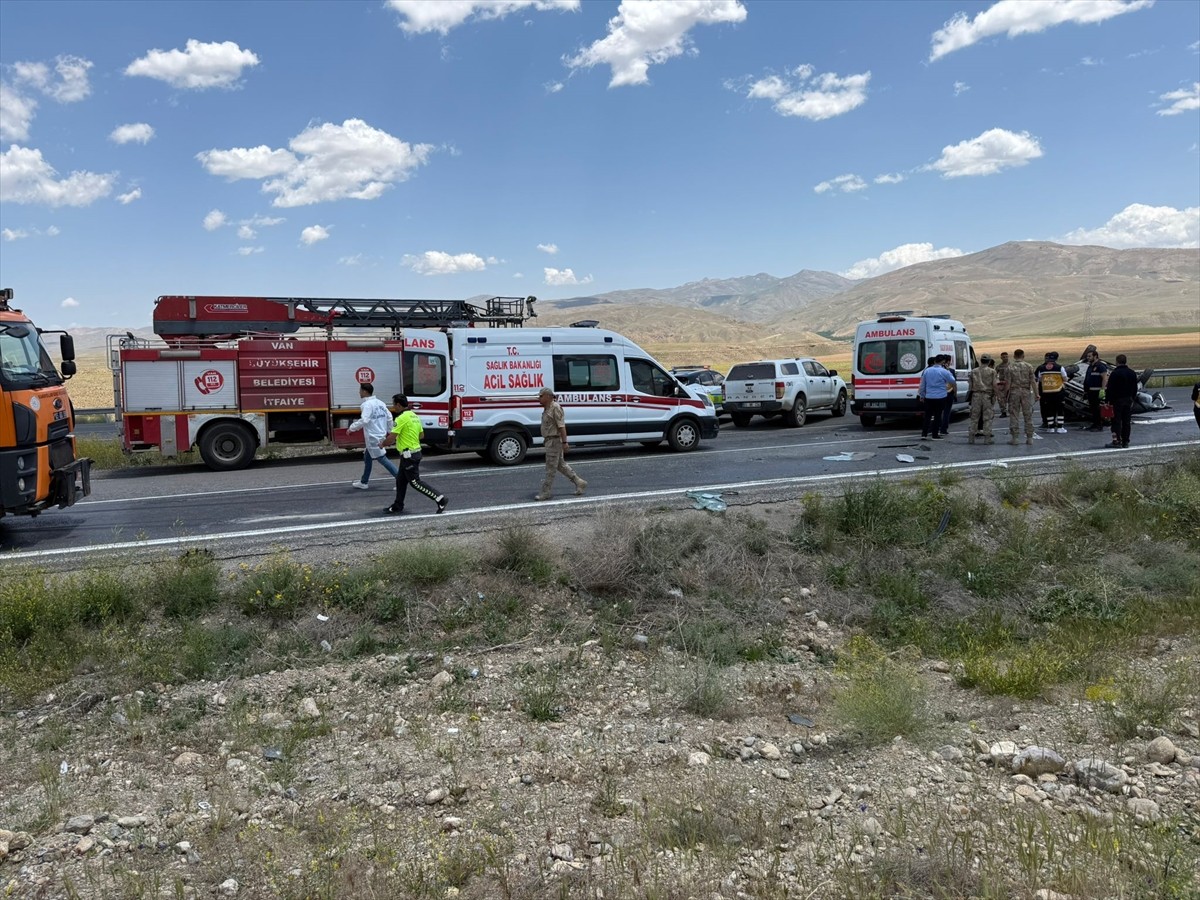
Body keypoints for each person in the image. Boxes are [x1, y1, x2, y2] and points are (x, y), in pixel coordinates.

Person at [386, 394, 448, 514]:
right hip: (412, 453)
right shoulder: (414, 416)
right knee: (400, 481)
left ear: (398, 405)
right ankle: (398, 505)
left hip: (409, 455)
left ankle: (440, 499)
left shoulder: (401, 418)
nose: (393, 407)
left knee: (415, 483)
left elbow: (391, 438)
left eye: (394, 405)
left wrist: (381, 444)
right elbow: (421, 435)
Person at [535, 386, 587, 500]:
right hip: (549, 441)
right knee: (560, 465)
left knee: (550, 468)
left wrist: (565, 442)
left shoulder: (555, 408)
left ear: (548, 396)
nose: (539, 398)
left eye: (541, 396)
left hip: (554, 441)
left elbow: (561, 426)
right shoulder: (547, 408)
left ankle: (546, 492)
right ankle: (579, 482)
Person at [347, 383, 399, 489]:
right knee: (367, 457)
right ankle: (364, 482)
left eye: (360, 390)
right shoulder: (380, 403)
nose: (359, 392)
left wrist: (352, 428)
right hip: (380, 435)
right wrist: (389, 431)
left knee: (382, 459)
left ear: (365, 391)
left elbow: (364, 420)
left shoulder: (367, 405)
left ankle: (400, 479)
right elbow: (389, 417)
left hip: (373, 437)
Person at [917, 355, 955, 440]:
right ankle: (935, 434)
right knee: (938, 415)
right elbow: (952, 380)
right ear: (943, 362)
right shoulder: (944, 371)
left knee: (928, 415)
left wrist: (922, 395)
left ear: (934, 361)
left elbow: (922, 385)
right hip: (940, 396)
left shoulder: (927, 371)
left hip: (929, 396)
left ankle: (924, 433)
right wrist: (947, 370)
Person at [1105, 355, 1138, 449]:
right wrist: (1132, 398)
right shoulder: (1132, 373)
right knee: (1126, 422)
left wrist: (1107, 401)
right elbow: (1135, 388)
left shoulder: (1115, 373)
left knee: (1116, 421)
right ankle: (1126, 441)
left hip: (1117, 401)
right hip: (1128, 400)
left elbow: (1110, 389)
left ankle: (1116, 441)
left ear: (1117, 362)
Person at [1006, 349, 1037, 445]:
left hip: (1014, 392)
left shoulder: (1010, 367)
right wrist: (1036, 394)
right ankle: (1029, 437)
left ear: (1014, 356)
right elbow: (1033, 382)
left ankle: (1015, 438)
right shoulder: (1029, 366)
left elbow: (1008, 383)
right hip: (1026, 392)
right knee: (1028, 415)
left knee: (1014, 414)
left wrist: (1005, 395)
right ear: (1023, 356)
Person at [1035, 351, 1068, 433]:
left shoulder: (1041, 368)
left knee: (1049, 411)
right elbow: (1065, 378)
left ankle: (1051, 427)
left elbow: (1039, 379)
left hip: (1046, 393)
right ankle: (1060, 427)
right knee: (1060, 410)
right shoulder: (1060, 367)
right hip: (1058, 392)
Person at [967, 355, 996, 444]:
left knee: (974, 417)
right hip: (987, 396)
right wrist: (995, 395)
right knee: (987, 417)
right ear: (989, 361)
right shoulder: (992, 371)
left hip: (976, 395)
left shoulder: (974, 371)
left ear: (981, 361)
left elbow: (970, 386)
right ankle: (987, 438)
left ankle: (971, 437)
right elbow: (994, 385)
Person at [1082, 348, 1110, 432]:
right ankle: (1095, 424)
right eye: (1087, 356)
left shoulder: (1100, 366)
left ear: (1095, 356)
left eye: (1090, 356)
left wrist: (1102, 390)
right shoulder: (1090, 366)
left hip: (1097, 391)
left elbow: (1105, 378)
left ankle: (1098, 425)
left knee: (1097, 409)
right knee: (1093, 409)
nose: (1088, 358)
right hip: (1090, 391)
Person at [940, 355, 957, 435]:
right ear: (949, 361)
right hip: (949, 393)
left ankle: (936, 427)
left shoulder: (939, 371)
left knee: (939, 412)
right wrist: (955, 393)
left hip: (940, 393)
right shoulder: (951, 371)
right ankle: (944, 428)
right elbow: (954, 383)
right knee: (947, 412)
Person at [994, 351, 1010, 418]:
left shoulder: (1011, 365)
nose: (1005, 358)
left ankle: (1012, 411)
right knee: (1001, 399)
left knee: (1012, 398)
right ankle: (1003, 411)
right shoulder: (999, 366)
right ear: (1001, 358)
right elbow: (994, 375)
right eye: (1003, 357)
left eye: (1006, 357)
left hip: (1010, 383)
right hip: (1002, 384)